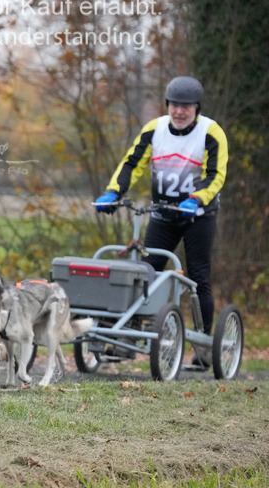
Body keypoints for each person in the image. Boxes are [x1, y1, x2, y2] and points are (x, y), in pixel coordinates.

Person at [94, 76, 229, 369]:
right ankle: (126, 340)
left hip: (198, 216)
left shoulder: (210, 132)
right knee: (145, 272)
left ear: (196, 108)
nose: (179, 111)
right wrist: (113, 192)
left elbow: (215, 174)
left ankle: (203, 349)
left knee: (198, 277)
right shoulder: (154, 129)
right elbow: (132, 163)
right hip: (163, 214)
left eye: (186, 106)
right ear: (167, 105)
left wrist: (197, 199)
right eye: (174, 105)